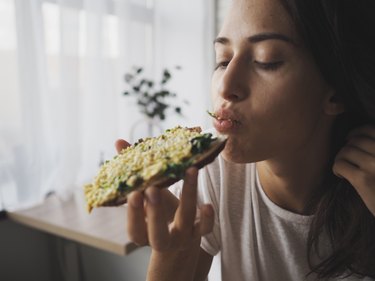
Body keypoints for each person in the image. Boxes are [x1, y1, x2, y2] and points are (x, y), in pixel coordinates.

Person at [116, 0, 375, 280]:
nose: (226, 86)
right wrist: (178, 246)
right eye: (223, 60)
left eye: (267, 60)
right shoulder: (215, 175)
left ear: (336, 92)